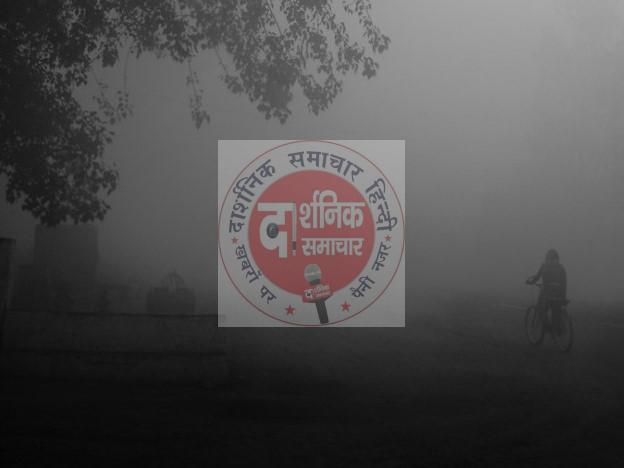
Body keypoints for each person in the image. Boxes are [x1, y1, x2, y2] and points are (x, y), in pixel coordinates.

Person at [526, 249, 568, 332]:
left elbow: (537, 277)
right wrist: (563, 296)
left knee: (540, 308)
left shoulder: (544, 265)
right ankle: (557, 328)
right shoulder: (561, 268)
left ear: (547, 257)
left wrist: (530, 282)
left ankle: (546, 327)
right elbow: (564, 283)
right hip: (559, 294)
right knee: (556, 311)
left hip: (547, 293)